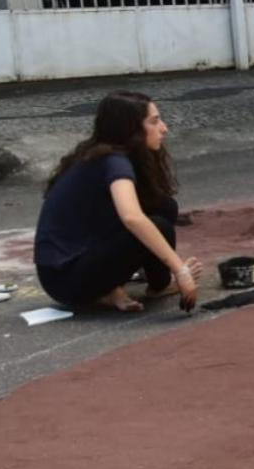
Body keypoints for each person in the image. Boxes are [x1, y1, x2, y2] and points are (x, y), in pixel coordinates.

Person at [34, 92, 200, 313]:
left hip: (72, 266)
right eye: (154, 121)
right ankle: (142, 287)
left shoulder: (108, 154)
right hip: (66, 280)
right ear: (131, 129)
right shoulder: (113, 161)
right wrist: (180, 270)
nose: (164, 128)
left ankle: (123, 287)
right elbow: (132, 217)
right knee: (158, 224)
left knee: (163, 205)